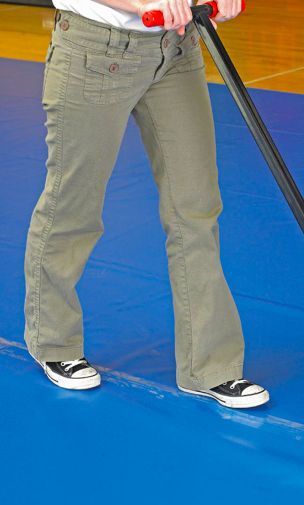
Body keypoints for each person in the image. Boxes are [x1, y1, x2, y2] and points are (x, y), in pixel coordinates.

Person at [24, 0, 269, 409]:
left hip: (175, 48)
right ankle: (53, 340)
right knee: (73, 206)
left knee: (196, 208)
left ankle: (210, 366)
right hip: (94, 53)